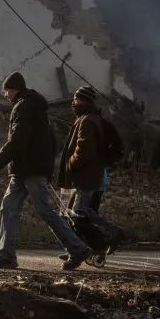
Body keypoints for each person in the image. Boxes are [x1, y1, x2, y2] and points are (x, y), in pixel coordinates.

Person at [0, 72, 93, 271]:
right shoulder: (37, 108)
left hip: (29, 170)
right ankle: (6, 255)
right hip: (26, 170)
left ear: (15, 88)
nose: (6, 95)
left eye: (7, 90)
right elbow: (52, 142)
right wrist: (46, 166)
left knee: (44, 211)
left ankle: (77, 248)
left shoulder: (23, 107)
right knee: (9, 207)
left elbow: (16, 141)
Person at [57, 86, 124, 260]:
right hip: (89, 175)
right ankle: (79, 249)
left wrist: (71, 164)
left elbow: (84, 149)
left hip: (85, 176)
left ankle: (110, 233)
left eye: (75, 99)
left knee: (79, 213)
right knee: (75, 213)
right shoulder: (92, 119)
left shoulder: (87, 120)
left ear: (83, 101)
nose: (73, 103)